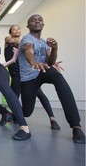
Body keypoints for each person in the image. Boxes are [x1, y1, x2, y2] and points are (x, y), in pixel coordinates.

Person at [18, 14, 85, 144]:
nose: (37, 22)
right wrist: (33, 62)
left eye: (39, 20)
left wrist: (54, 49)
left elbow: (50, 61)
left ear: (43, 24)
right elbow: (28, 50)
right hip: (29, 78)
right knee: (27, 112)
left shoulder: (43, 42)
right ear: (28, 26)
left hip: (43, 70)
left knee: (58, 77)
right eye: (33, 20)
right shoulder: (26, 38)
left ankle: (76, 126)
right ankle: (16, 114)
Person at [4, 25, 60, 129]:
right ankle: (13, 116)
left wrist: (52, 62)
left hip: (28, 76)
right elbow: (19, 44)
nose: (17, 30)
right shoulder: (9, 40)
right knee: (13, 99)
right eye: (14, 29)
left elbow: (33, 56)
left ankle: (52, 118)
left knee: (41, 95)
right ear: (10, 32)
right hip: (16, 76)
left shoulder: (26, 43)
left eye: (18, 28)